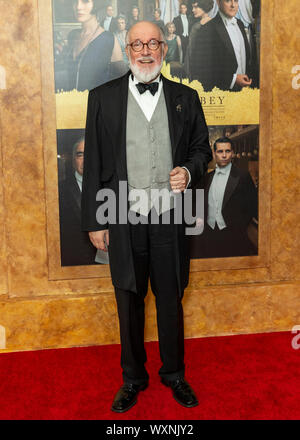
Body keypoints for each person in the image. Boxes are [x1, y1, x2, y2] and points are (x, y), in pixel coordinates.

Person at [81, 21, 212, 412]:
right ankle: (133, 378)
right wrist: (94, 220)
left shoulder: (186, 98)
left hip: (172, 215)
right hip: (121, 213)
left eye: (153, 42)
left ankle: (174, 374)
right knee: (129, 298)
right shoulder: (102, 98)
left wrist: (188, 171)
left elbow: (202, 150)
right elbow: (94, 167)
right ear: (126, 48)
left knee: (170, 297)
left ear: (165, 48)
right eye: (137, 43)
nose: (145, 50)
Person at [190, 137, 258, 258]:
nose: (224, 155)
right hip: (208, 235)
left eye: (227, 151)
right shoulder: (207, 178)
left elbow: (252, 205)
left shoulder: (243, 176)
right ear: (214, 153)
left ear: (232, 153)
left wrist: (239, 227)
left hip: (233, 237)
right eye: (220, 151)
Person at [59, 137, 109, 266]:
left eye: (91, 154)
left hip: (112, 265)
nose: (86, 159)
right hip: (74, 265)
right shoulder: (58, 191)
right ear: (73, 161)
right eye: (80, 154)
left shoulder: (115, 187)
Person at [188, 0, 258, 91]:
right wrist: (233, 80)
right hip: (223, 93)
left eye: (236, 1)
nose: (233, 5)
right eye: (228, 1)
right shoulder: (206, 30)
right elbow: (201, 68)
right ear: (218, 2)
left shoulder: (240, 24)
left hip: (245, 93)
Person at [62, 0, 127, 92]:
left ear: (96, 4)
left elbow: (121, 82)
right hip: (71, 103)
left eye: (85, 1)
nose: (78, 7)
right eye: (75, 1)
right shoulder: (73, 36)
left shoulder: (108, 39)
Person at [184, 0, 213, 78]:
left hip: (199, 70)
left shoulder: (196, 27)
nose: (193, 10)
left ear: (204, 7)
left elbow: (190, 52)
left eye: (196, 7)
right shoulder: (215, 24)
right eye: (193, 7)